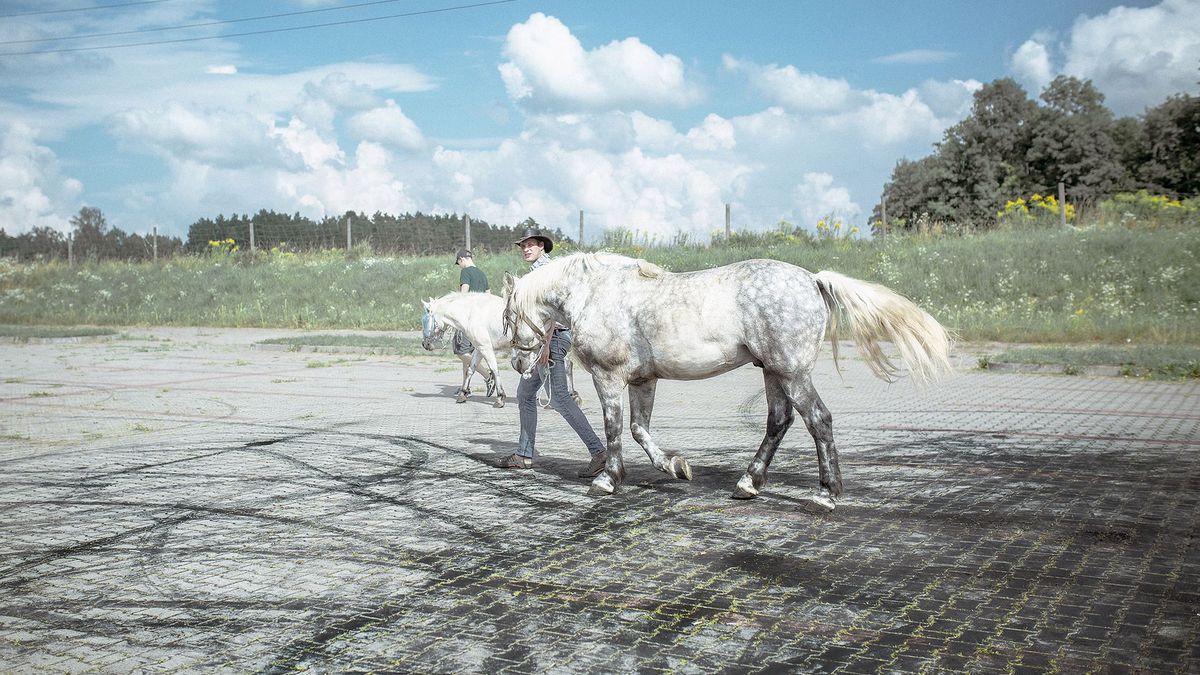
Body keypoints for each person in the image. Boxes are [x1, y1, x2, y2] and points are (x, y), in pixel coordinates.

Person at [498, 229, 607, 477]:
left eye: (531, 245)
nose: (526, 249)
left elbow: (553, 312)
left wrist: (546, 346)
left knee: (559, 398)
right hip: (547, 340)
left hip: (553, 340)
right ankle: (524, 454)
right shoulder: (537, 273)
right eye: (523, 246)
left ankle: (598, 452)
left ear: (542, 247)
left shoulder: (545, 273)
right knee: (525, 394)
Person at [451, 248, 496, 400]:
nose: (460, 266)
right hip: (482, 322)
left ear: (462, 259)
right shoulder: (482, 274)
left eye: (459, 263)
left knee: (461, 352)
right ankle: (466, 388)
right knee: (470, 354)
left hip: (468, 320)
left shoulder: (465, 272)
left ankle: (488, 376)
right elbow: (489, 296)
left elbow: (464, 295)